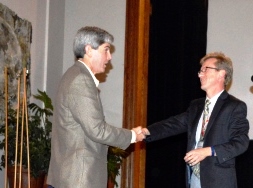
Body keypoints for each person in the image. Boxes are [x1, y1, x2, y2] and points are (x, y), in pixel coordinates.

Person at [47, 26, 145, 188]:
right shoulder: (81, 80)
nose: (109, 57)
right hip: (79, 179)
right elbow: (96, 130)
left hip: (71, 177)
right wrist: (132, 136)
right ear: (89, 50)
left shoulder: (72, 75)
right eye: (106, 50)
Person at [142, 52, 249, 188]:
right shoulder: (196, 106)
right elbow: (173, 124)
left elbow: (241, 142)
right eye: (200, 71)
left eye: (205, 69)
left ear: (221, 74)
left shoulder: (234, 106)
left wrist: (207, 151)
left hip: (219, 181)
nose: (200, 74)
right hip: (194, 178)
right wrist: (146, 131)